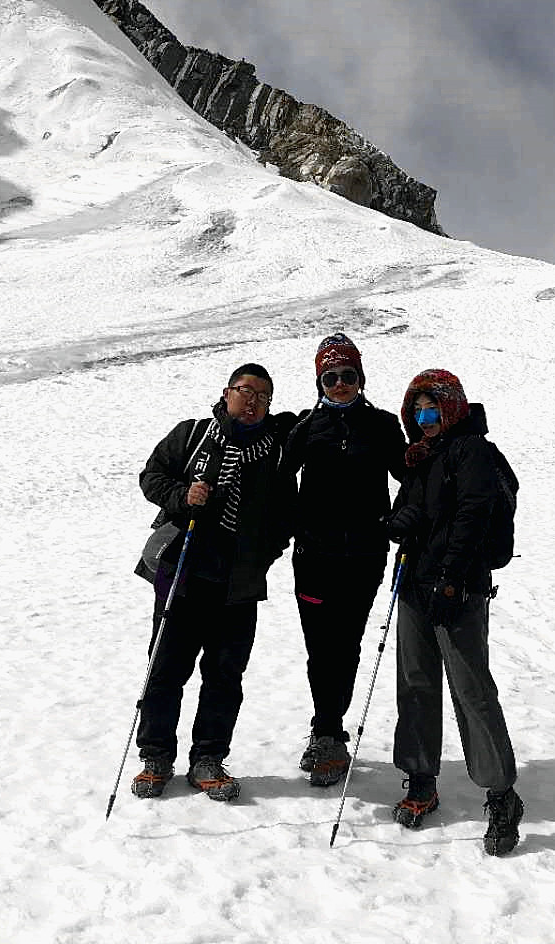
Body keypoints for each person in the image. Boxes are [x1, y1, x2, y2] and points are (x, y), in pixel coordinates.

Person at [129, 363, 295, 802]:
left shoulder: (275, 451)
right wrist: (182, 497)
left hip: (238, 585)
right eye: (245, 390)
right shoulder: (193, 434)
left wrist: (263, 555)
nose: (252, 400)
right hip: (182, 574)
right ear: (226, 393)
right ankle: (155, 756)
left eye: (262, 394)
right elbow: (151, 476)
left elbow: (285, 516)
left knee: (224, 675)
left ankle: (207, 758)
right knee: (166, 670)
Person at [384, 369, 523, 857]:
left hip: (456, 590)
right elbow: (422, 511)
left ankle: (501, 792)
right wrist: (400, 521)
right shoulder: (423, 457)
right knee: (416, 682)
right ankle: (421, 777)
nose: (424, 418)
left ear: (452, 407)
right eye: (417, 409)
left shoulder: (472, 452)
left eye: (432, 408)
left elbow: (472, 514)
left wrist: (451, 577)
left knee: (471, 690)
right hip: (415, 587)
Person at [282, 333, 407, 787]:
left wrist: (400, 520)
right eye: (330, 377)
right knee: (321, 648)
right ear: (319, 381)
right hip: (313, 556)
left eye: (347, 375)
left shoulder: (383, 425)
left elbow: (409, 476)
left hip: (365, 556)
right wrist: (295, 521)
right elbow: (277, 480)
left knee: (347, 644)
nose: (339, 384)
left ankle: (330, 734)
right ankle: (325, 730)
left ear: (360, 378)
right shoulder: (305, 428)